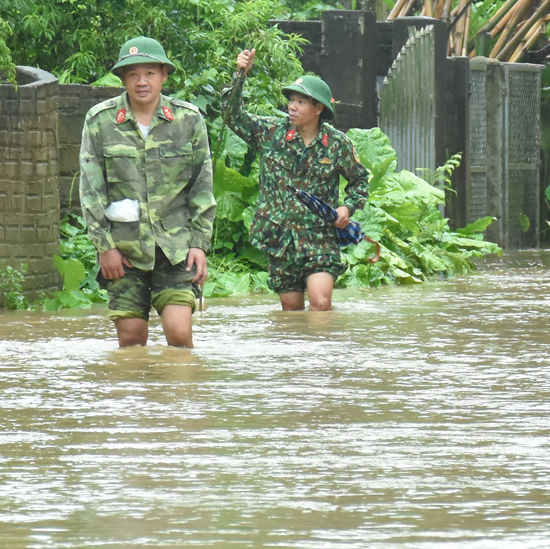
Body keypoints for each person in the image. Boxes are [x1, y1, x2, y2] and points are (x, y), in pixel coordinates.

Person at [78, 36, 215, 348]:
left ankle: (181, 396)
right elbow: (91, 190)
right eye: (133, 74)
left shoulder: (188, 119)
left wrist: (200, 244)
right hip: (124, 251)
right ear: (123, 79)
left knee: (179, 334)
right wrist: (104, 248)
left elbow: (202, 186)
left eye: (150, 73)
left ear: (164, 75)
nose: (142, 82)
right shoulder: (100, 120)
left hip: (176, 248)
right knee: (131, 341)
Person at [225, 49, 370, 312]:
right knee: (291, 314)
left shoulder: (337, 144)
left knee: (321, 303)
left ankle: (325, 354)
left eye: (301, 102)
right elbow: (232, 116)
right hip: (280, 239)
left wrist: (347, 208)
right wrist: (240, 75)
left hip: (319, 238)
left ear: (318, 108)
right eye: (291, 100)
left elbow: (360, 181)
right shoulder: (270, 133)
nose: (292, 106)